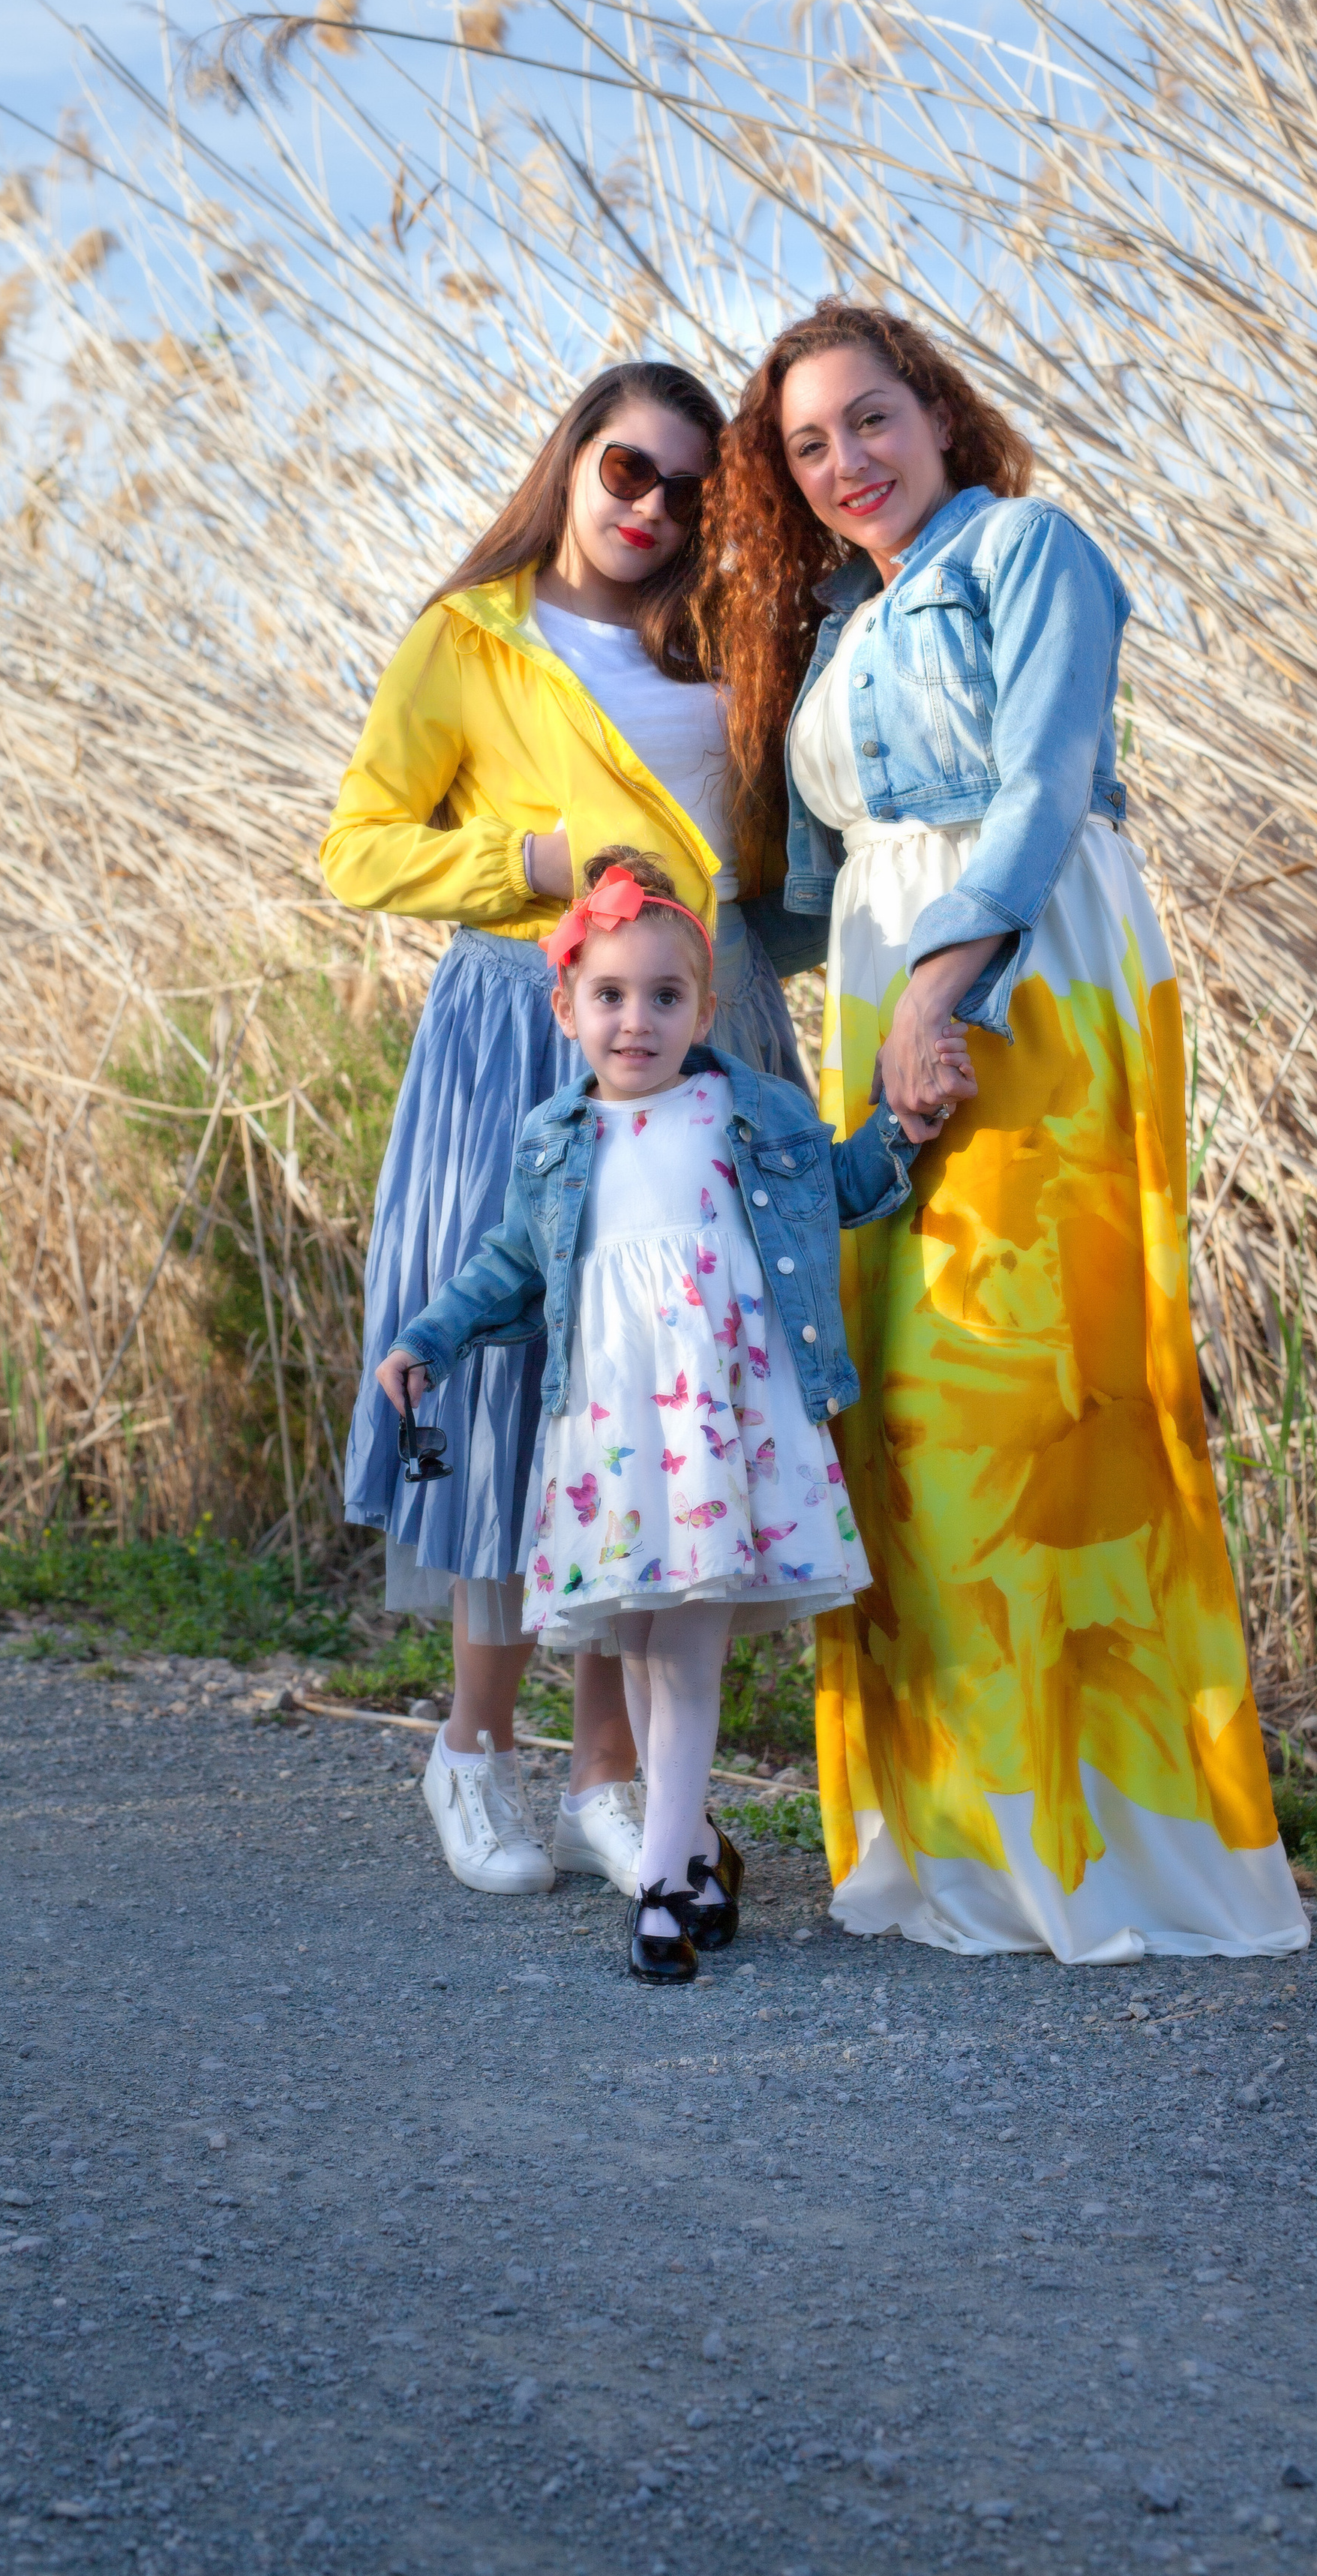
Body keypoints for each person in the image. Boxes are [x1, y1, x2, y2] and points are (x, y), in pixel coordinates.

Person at [694, 298, 1309, 1963]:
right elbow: (804, 906)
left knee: (1023, 1408)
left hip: (1031, 995)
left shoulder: (1027, 549)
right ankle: (953, 1840)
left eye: (870, 421)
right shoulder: (837, 627)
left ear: (942, 416)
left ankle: (1096, 1847)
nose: (844, 464)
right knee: (897, 1421)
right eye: (807, 445)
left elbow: (1039, 794)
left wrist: (936, 995)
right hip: (881, 1016)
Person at [320, 362, 819, 1902]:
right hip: (521, 1032)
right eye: (626, 471)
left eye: (686, 489)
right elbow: (358, 845)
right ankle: (472, 1750)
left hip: (709, 1032)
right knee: (510, 1375)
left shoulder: (730, 645)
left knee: (645, 1383)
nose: (650, 508)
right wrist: (537, 853)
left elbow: (775, 867)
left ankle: (610, 1772)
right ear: (570, 462)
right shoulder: (468, 638)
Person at [386, 849, 920, 1981]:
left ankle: (668, 1887)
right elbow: (507, 1270)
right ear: (568, 1007)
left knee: (683, 1654)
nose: (638, 1021)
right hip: (617, 1440)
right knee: (637, 1643)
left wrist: (906, 1121)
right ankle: (688, 1860)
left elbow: (847, 1189)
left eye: (665, 996)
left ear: (704, 1007)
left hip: (719, 1427)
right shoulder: (553, 1142)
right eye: (611, 996)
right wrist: (427, 1340)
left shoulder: (745, 1110)